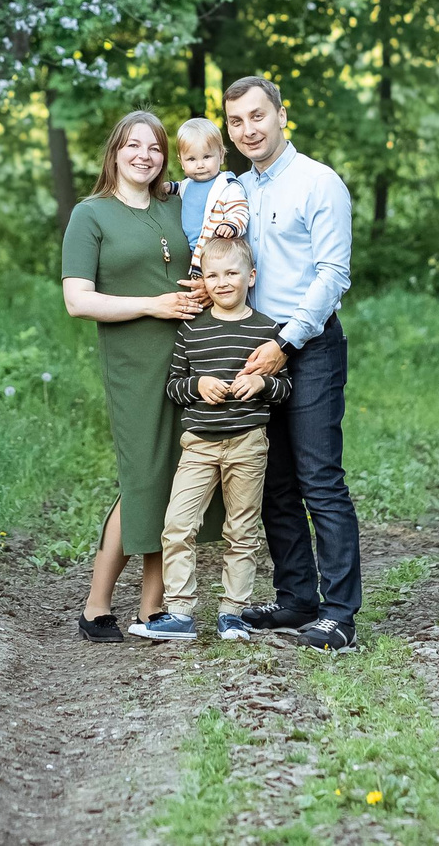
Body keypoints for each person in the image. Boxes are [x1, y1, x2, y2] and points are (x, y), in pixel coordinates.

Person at [222, 74, 361, 650]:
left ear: (282, 115)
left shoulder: (318, 183)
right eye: (236, 121)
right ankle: (297, 596)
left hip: (307, 346)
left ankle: (339, 614)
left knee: (318, 478)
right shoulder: (236, 189)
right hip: (254, 347)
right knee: (273, 479)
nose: (248, 129)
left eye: (258, 116)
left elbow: (334, 275)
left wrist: (287, 343)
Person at [59, 109, 202, 642]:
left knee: (180, 475)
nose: (145, 155)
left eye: (155, 147)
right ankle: (97, 605)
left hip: (191, 353)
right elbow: (78, 301)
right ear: (115, 152)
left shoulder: (174, 204)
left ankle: (153, 610)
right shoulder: (90, 214)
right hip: (134, 360)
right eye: (133, 145)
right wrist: (154, 306)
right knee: (143, 475)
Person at [133, 236, 290, 643]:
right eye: (212, 275)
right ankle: (180, 612)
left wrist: (261, 381)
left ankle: (232, 613)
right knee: (177, 525)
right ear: (203, 280)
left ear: (250, 277)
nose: (222, 282)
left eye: (232, 273)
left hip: (248, 443)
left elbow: (285, 387)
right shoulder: (191, 331)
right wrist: (197, 383)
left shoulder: (267, 330)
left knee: (242, 530)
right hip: (199, 444)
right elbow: (173, 386)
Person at [174, 116, 250, 279]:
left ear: (221, 155)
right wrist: (169, 187)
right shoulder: (187, 185)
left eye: (207, 157)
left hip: (217, 253)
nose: (200, 164)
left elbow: (240, 210)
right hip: (192, 252)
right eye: (192, 159)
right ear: (182, 162)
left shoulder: (227, 185)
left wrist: (232, 225)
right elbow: (179, 187)